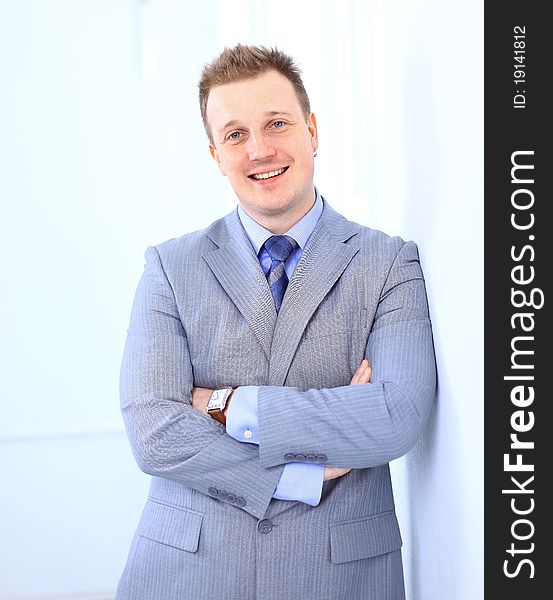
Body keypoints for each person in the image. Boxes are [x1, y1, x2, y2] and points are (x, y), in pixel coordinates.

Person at [116, 44, 436, 600]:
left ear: (312, 130)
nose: (259, 150)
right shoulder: (170, 267)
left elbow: (394, 416)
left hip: (338, 575)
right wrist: (303, 474)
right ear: (216, 154)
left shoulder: (388, 262)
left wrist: (224, 405)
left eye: (277, 123)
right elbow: (153, 433)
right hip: (188, 574)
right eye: (236, 134)